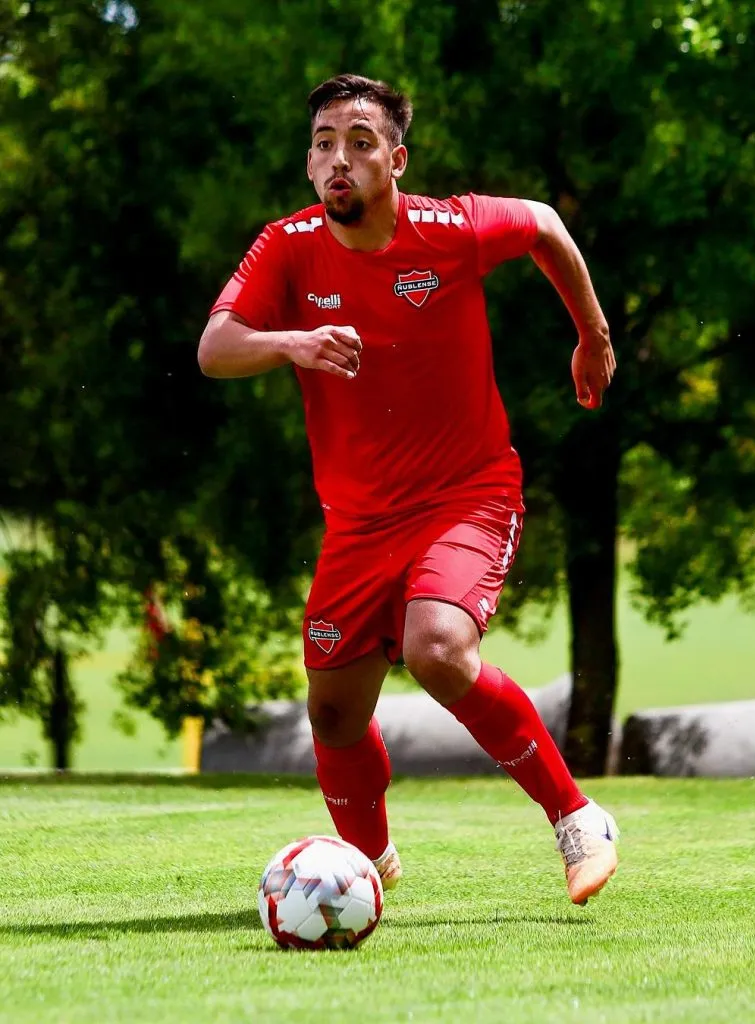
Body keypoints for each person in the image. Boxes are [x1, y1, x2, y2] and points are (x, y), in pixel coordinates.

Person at [198, 74, 618, 906]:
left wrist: (592, 337)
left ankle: (578, 819)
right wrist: (293, 343)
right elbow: (216, 346)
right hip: (356, 522)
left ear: (395, 159)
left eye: (358, 141)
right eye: (323, 142)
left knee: (436, 650)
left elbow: (543, 223)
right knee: (332, 716)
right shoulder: (285, 246)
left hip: (467, 494)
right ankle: (366, 871)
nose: (337, 159)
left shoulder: (449, 227)